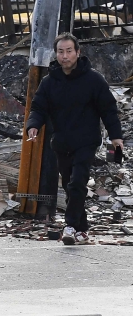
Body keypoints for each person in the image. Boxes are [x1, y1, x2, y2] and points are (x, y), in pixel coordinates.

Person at [25, 32, 123, 246]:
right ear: (56, 54)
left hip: (87, 141)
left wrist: (116, 136)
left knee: (78, 181)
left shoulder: (94, 80)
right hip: (62, 143)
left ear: (78, 53)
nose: (65, 56)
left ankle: (69, 226)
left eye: (69, 51)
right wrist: (33, 126)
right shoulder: (49, 82)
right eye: (61, 51)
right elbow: (39, 107)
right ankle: (81, 229)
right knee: (71, 186)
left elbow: (108, 109)